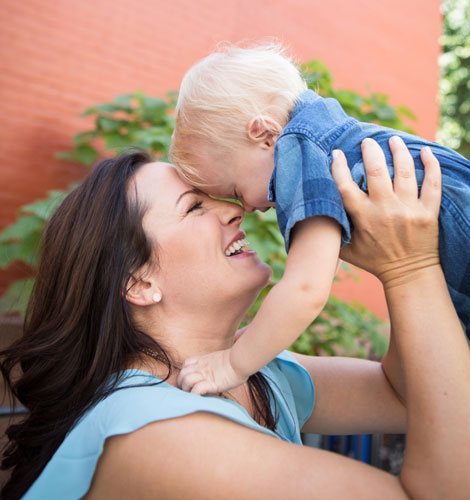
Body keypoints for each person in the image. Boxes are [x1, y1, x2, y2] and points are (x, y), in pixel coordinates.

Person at [1, 140, 469, 500]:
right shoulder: (155, 434)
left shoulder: (258, 373)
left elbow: (408, 396)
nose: (235, 207)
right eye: (195, 207)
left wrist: (397, 259)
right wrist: (410, 268)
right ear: (139, 283)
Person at [170, 44, 470, 396]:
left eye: (235, 190)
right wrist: (253, 338)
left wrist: (233, 364)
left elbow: (305, 289)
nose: (246, 208)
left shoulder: (298, 148)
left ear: (266, 135)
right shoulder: (337, 133)